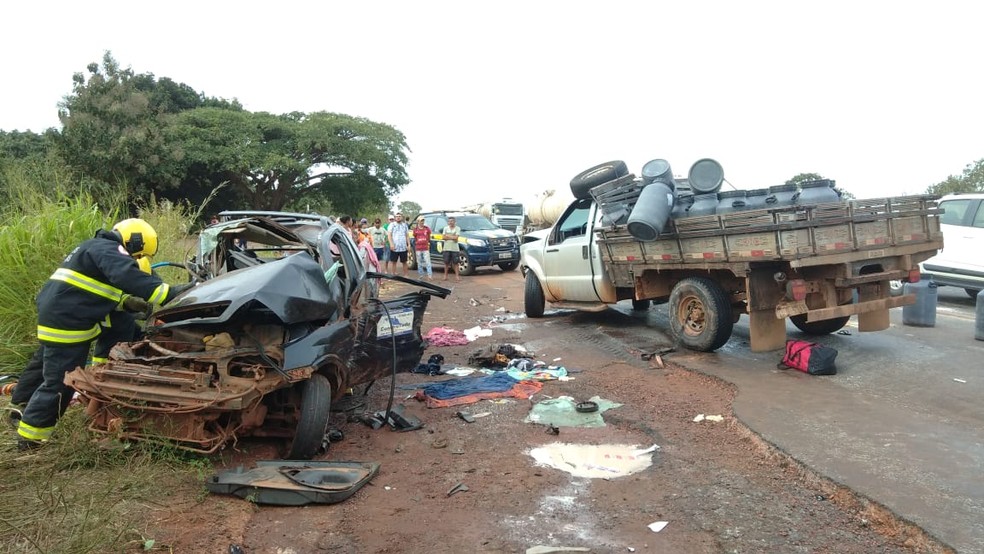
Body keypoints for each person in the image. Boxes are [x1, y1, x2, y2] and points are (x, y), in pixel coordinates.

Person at [15, 219, 194, 450]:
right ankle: (30, 439)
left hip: (59, 315)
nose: (136, 259)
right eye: (138, 254)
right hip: (68, 322)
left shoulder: (93, 248)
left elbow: (96, 292)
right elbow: (126, 275)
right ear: (134, 240)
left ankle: (20, 402)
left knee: (45, 365)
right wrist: (168, 293)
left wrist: (126, 303)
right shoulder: (108, 249)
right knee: (60, 384)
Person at [441, 215, 463, 282]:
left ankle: (457, 276)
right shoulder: (445, 228)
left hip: (455, 249)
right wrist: (452, 236)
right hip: (446, 248)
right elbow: (443, 237)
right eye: (449, 221)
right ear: (448, 222)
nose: (451, 222)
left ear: (455, 222)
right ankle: (445, 276)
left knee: (456, 263)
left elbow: (456, 238)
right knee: (446, 263)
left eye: (452, 221)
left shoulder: (458, 228)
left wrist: (448, 236)